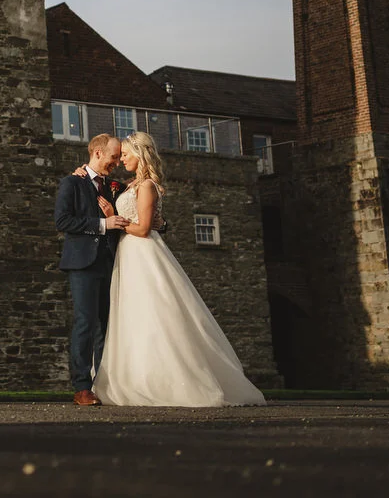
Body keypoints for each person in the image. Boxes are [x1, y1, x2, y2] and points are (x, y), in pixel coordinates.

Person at [90, 131, 266, 407]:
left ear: (140, 154)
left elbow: (144, 228)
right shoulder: (129, 185)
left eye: (126, 154)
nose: (122, 159)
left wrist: (113, 218)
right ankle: (136, 376)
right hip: (129, 254)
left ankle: (170, 380)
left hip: (142, 251)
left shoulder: (146, 185)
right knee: (134, 315)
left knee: (156, 312)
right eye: (121, 155)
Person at [53, 133, 130, 406]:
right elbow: (63, 220)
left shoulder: (115, 186)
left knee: (106, 327)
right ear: (97, 153)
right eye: (114, 156)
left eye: (120, 157)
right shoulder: (71, 183)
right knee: (85, 323)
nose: (117, 162)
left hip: (111, 263)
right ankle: (82, 387)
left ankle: (105, 386)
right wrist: (102, 225)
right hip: (83, 263)